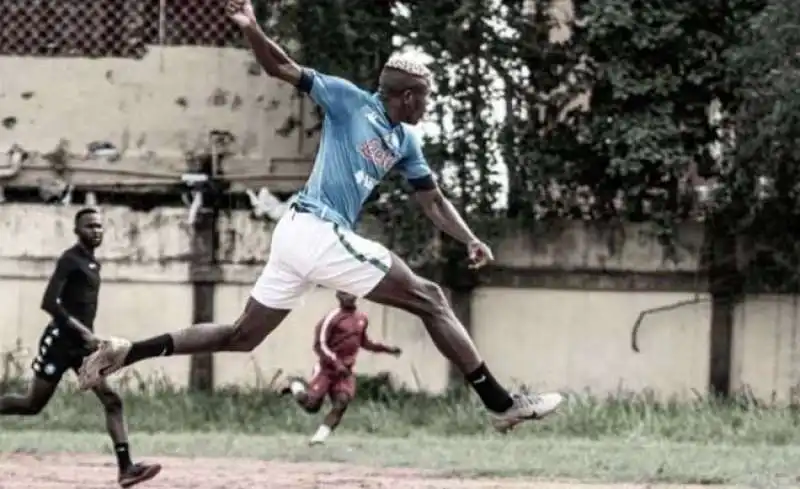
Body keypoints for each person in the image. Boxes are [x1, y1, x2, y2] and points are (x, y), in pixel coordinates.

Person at [78, 0, 564, 433]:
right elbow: (282, 66)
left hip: (300, 238)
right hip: (313, 229)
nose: (429, 106)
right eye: (427, 98)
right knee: (431, 298)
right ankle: (500, 403)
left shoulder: (405, 141)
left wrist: (469, 238)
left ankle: (125, 351)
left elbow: (432, 200)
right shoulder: (349, 100)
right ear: (409, 96)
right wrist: (250, 26)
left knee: (241, 336)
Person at [0, 208, 161, 488]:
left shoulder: (93, 264)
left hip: (83, 350)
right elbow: (49, 303)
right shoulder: (70, 260)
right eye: (89, 226)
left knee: (112, 400)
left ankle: (126, 469)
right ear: (77, 231)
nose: (96, 231)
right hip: (59, 344)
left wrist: (87, 340)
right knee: (31, 405)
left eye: (99, 226)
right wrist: (85, 333)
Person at [278, 291, 402, 445]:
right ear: (338, 296)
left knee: (342, 402)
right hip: (327, 369)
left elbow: (364, 342)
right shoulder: (332, 318)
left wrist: (387, 349)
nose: (349, 297)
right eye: (344, 294)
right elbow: (319, 345)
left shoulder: (361, 318)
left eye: (351, 293)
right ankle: (295, 385)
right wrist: (336, 363)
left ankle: (318, 438)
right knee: (311, 406)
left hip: (344, 372)